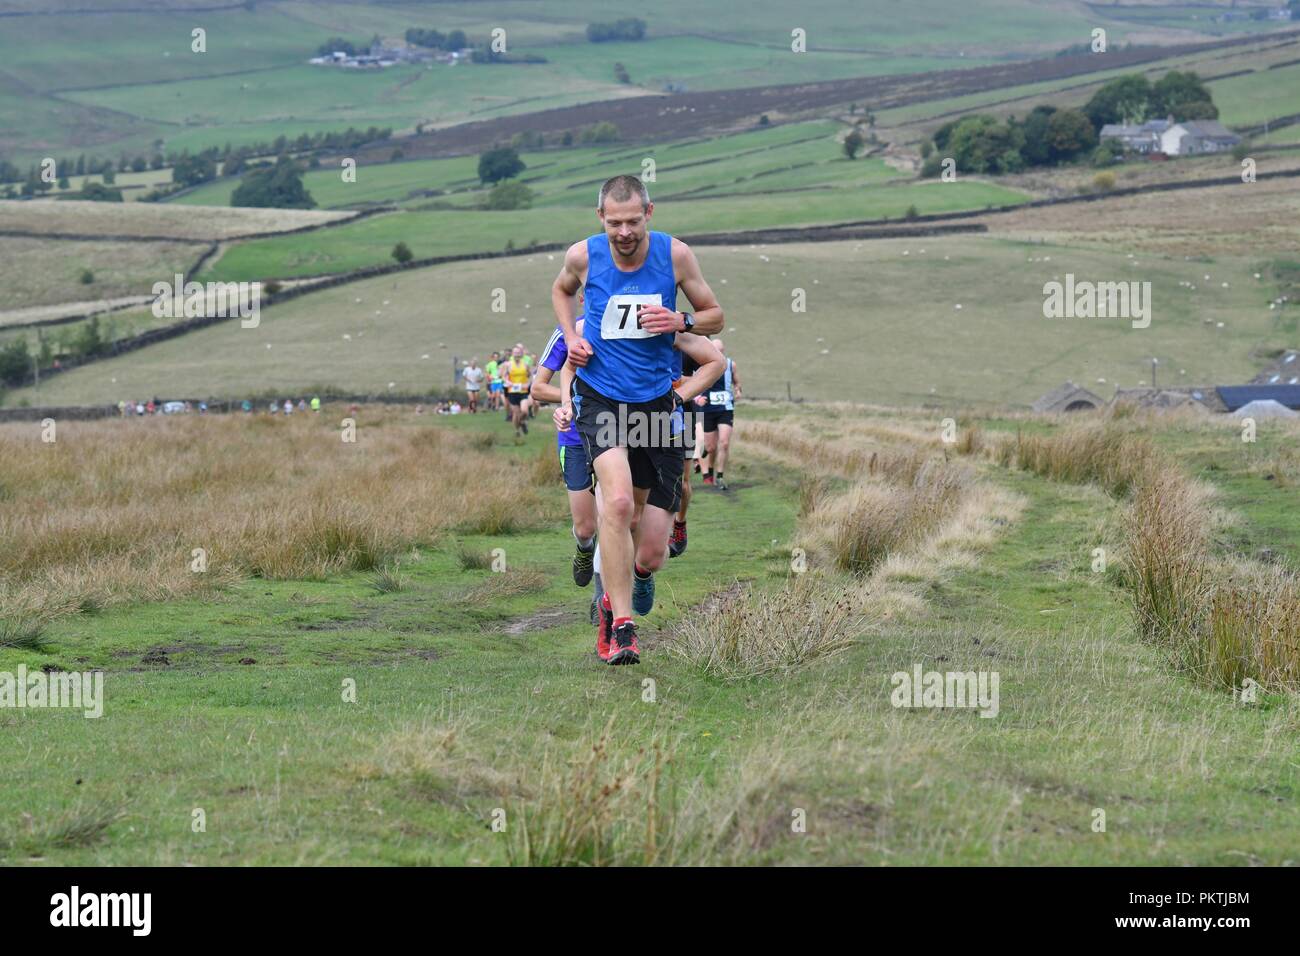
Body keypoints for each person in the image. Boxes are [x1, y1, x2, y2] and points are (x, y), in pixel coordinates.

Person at [551, 173, 724, 665]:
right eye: (614, 223)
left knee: (650, 549)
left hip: (655, 405)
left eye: (632, 221)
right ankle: (621, 625)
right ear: (600, 218)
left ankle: (625, 587)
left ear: (649, 214)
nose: (624, 232)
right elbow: (562, 292)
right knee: (618, 501)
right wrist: (571, 337)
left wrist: (681, 321)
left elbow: (715, 315)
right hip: (602, 398)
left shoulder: (676, 255)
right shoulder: (583, 256)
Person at [531, 320, 598, 594]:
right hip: (574, 438)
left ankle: (604, 599)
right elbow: (538, 388)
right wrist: (578, 400)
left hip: (614, 434)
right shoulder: (565, 333)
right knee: (585, 529)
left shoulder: (622, 330)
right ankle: (584, 550)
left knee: (615, 517)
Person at [699, 339, 740, 490]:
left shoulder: (731, 365)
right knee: (710, 447)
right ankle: (708, 470)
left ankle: (720, 476)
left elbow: (737, 383)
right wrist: (698, 398)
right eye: (715, 350)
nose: (718, 353)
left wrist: (738, 390)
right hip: (708, 409)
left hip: (726, 408)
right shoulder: (702, 364)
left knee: (724, 442)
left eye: (720, 351)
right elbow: (694, 382)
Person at [502, 345, 532, 437]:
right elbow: (503, 376)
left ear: (521, 354)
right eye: (515, 353)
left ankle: (522, 422)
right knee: (516, 413)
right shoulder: (508, 365)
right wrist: (508, 382)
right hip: (512, 391)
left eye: (518, 353)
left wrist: (528, 384)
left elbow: (530, 375)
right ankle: (517, 430)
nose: (517, 354)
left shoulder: (525, 364)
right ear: (512, 354)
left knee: (525, 411)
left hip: (523, 391)